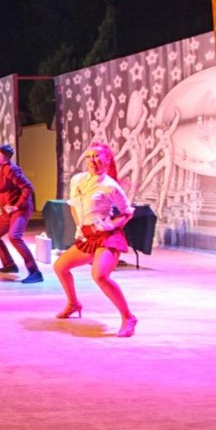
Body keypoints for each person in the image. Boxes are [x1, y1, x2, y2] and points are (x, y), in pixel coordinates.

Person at [53, 142, 138, 337]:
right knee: (60, 267)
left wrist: (111, 225)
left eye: (97, 156)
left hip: (107, 237)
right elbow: (74, 206)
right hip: (87, 235)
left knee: (100, 276)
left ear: (107, 160)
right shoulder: (77, 180)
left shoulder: (110, 186)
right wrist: (79, 227)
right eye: (89, 156)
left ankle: (128, 317)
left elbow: (127, 212)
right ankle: (73, 304)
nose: (92, 160)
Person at [0, 144, 42, 284]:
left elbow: (28, 187)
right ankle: (9, 264)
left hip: (20, 209)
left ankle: (35, 272)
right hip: (7, 209)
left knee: (14, 236)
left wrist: (17, 206)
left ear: (5, 158)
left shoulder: (11, 169)